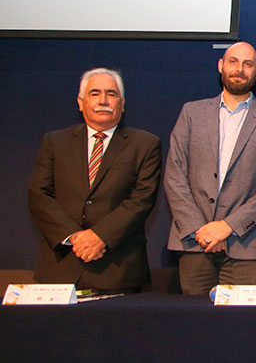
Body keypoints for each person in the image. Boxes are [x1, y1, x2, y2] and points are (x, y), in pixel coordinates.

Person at [163, 42, 256, 295]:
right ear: (221, 65)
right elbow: (174, 175)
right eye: (233, 61)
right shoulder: (191, 113)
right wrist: (202, 229)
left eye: (248, 64)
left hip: (245, 245)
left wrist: (227, 226)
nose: (239, 69)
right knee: (193, 327)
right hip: (193, 241)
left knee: (238, 329)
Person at [27, 68, 161, 292]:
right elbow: (39, 195)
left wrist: (100, 237)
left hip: (118, 270)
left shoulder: (145, 144)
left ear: (123, 103)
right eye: (95, 93)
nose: (103, 100)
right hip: (60, 268)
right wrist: (75, 238)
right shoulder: (54, 142)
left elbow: (141, 200)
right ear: (80, 102)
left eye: (111, 94)